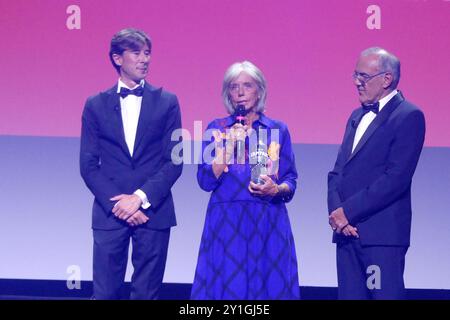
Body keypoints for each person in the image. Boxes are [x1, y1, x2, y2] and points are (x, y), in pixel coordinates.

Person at [80, 28, 182, 299]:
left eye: (147, 53)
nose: (144, 59)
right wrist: (119, 204)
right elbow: (88, 165)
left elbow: (175, 161)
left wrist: (138, 199)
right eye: (136, 53)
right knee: (105, 294)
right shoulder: (95, 104)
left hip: (153, 211)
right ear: (117, 58)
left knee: (147, 294)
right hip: (109, 213)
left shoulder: (168, 102)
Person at [191, 61, 300, 300]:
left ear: (259, 90)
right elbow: (205, 180)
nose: (240, 92)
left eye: (247, 86)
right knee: (230, 288)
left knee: (268, 288)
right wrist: (229, 145)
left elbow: (291, 181)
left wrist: (276, 189)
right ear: (228, 93)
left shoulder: (277, 129)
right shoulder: (217, 128)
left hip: (267, 220)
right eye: (234, 87)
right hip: (226, 224)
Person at [327, 47, 426, 299]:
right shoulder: (356, 115)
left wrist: (348, 212)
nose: (357, 83)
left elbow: (396, 179)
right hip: (346, 235)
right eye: (355, 75)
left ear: (386, 79)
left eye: (364, 77)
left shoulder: (408, 116)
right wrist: (337, 214)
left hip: (380, 238)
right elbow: (337, 172)